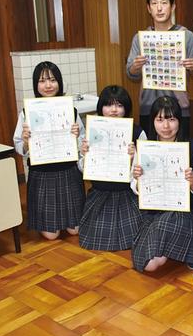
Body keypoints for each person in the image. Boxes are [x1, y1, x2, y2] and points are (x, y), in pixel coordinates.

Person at [131, 96, 193, 271]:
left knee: (157, 251)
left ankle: (181, 246)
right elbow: (134, 186)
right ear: (152, 122)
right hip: (156, 211)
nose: (166, 126)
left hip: (189, 212)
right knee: (147, 264)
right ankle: (172, 247)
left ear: (180, 121)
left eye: (171, 119)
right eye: (160, 120)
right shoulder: (145, 149)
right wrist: (138, 180)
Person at [13, 61, 85, 240]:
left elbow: (84, 143)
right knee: (52, 235)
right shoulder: (27, 112)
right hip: (42, 174)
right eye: (42, 81)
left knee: (74, 231)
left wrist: (77, 136)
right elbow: (19, 146)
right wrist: (26, 141)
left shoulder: (71, 110)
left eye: (52, 80)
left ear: (59, 82)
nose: (48, 85)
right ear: (35, 85)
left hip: (68, 172)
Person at [126, 0, 193, 136]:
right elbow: (131, 74)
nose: (159, 8)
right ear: (149, 8)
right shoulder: (140, 38)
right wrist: (136, 66)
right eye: (154, 4)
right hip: (149, 108)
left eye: (164, 3)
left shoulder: (186, 36)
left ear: (172, 7)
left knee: (179, 149)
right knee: (150, 149)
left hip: (179, 108)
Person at [78, 85, 146, 251]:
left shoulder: (137, 132)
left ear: (126, 108)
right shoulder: (92, 130)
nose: (114, 110)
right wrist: (85, 155)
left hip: (126, 194)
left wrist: (133, 158)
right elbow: (83, 169)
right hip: (100, 192)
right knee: (93, 238)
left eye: (119, 105)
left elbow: (143, 173)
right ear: (101, 107)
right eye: (108, 105)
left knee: (134, 235)